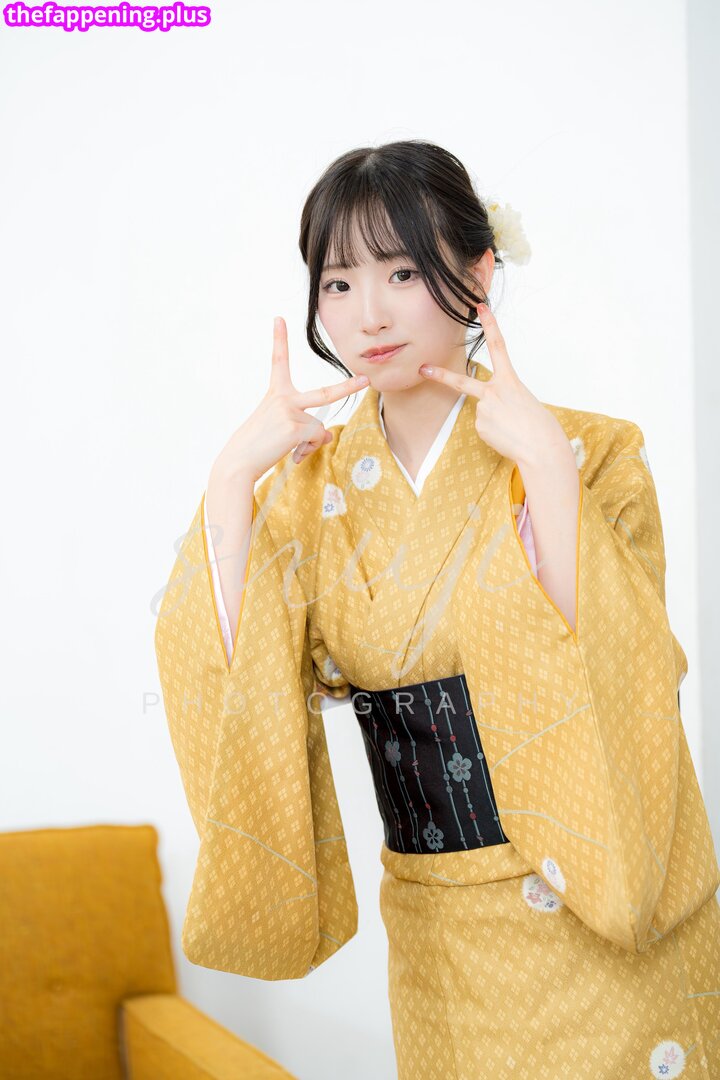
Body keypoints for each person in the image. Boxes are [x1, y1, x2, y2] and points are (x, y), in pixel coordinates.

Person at [154, 140, 720, 1079]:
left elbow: (627, 669)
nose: (367, 314)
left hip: (598, 911)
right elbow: (235, 668)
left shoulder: (594, 451)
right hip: (433, 917)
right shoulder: (304, 490)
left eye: (402, 272)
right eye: (338, 283)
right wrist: (230, 480)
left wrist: (547, 471)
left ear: (479, 271)